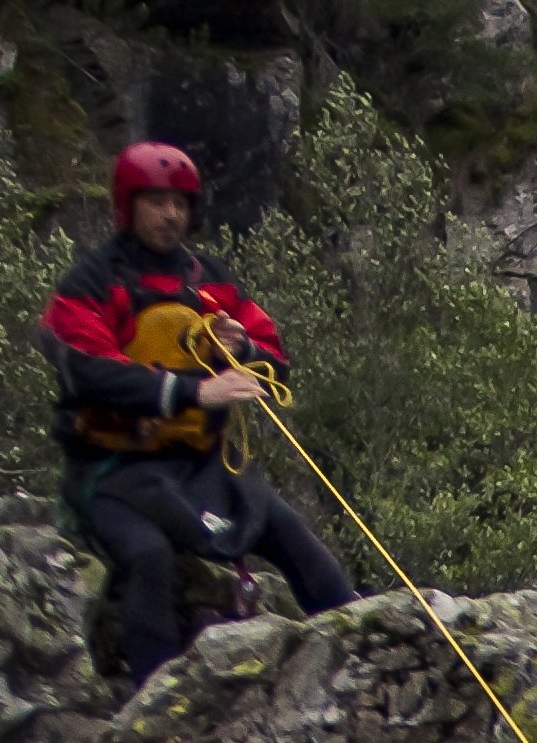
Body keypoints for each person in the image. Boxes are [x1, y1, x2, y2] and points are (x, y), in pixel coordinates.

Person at [40, 143, 360, 684]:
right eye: (157, 202)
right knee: (148, 558)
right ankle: (151, 700)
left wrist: (241, 351)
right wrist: (193, 392)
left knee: (292, 536)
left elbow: (275, 360)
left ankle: (363, 648)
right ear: (128, 205)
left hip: (201, 466)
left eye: (180, 204)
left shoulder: (208, 280)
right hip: (114, 472)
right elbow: (87, 371)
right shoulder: (89, 284)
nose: (171, 216)